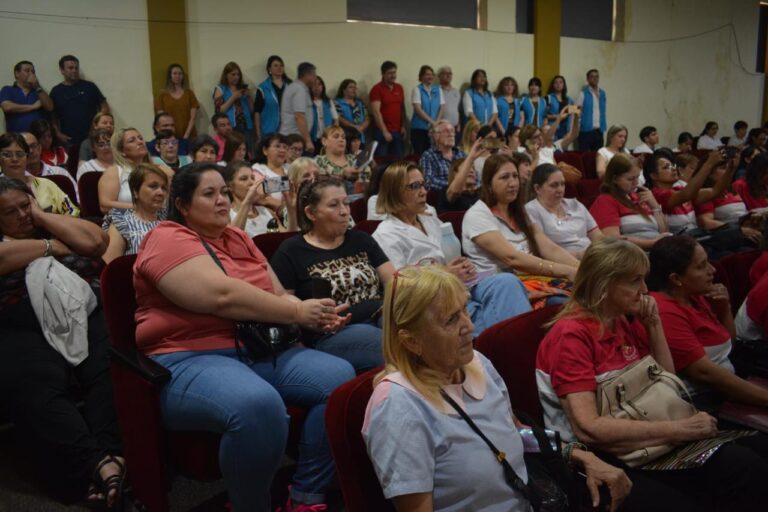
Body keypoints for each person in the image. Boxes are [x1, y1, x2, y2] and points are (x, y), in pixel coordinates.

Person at [133, 164, 354, 511]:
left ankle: (307, 495)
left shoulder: (238, 238)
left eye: (224, 191)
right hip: (189, 358)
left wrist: (316, 313)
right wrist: (297, 313)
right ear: (182, 205)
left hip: (255, 350)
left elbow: (279, 294)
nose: (222, 200)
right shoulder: (166, 237)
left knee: (340, 377)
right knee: (259, 405)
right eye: (209, 194)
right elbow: (221, 296)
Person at [363, 264, 631, 512]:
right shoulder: (397, 406)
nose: (469, 326)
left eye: (465, 310)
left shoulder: (476, 363)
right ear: (411, 342)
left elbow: (517, 431)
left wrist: (578, 455)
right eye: (450, 320)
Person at [536, 237, 768, 511]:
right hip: (605, 455)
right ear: (604, 284)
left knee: (756, 453)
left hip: (643, 434)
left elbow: (665, 381)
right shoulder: (571, 336)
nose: (644, 290)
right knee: (738, 471)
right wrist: (679, 429)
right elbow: (589, 428)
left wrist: (653, 325)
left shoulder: (619, 317)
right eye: (635, 281)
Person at [0, 176, 126, 508]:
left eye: (24, 206)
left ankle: (107, 460)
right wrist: (49, 247)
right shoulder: (33, 242)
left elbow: (96, 241)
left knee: (110, 364)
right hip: (22, 324)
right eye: (10, 212)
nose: (21, 216)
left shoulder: (50, 222)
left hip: (85, 311)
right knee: (35, 383)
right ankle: (98, 464)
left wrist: (40, 216)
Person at [372, 161, 531, 335]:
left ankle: (512, 347)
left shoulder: (429, 217)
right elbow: (401, 289)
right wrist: (447, 273)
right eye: (414, 186)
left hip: (462, 287)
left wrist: (462, 264)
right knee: (497, 313)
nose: (424, 192)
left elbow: (449, 254)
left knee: (506, 282)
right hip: (430, 302)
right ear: (394, 192)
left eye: (423, 185)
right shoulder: (386, 234)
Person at [271, 177, 395, 371]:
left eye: (346, 203)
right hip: (333, 332)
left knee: (415, 328)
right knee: (392, 344)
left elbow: (393, 282)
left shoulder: (361, 239)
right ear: (311, 213)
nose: (345, 211)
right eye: (334, 205)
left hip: (381, 315)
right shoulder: (291, 251)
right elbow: (282, 301)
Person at [648, 235, 768, 408]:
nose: (712, 270)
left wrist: (724, 309)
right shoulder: (664, 311)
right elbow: (705, 373)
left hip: (726, 389)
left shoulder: (695, 296)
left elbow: (729, 344)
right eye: (701, 266)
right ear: (676, 279)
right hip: (701, 403)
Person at [462, 154, 579, 308]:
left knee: (591, 291)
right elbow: (513, 259)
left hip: (532, 278)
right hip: (501, 287)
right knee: (568, 303)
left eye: (515, 176)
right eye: (504, 177)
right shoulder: (477, 215)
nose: (513, 183)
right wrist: (566, 271)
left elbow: (549, 248)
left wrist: (582, 268)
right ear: (489, 184)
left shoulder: (519, 212)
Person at [645, 148, 736, 235]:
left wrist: (731, 169)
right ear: (654, 176)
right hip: (679, 243)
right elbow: (687, 195)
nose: (673, 168)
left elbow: (715, 191)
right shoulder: (656, 195)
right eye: (666, 167)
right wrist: (709, 163)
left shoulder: (679, 189)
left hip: (696, 237)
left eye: (672, 165)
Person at [589, 154, 669, 250]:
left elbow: (664, 232)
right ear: (614, 179)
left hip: (656, 250)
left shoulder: (639, 197)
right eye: (630, 179)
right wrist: (652, 243)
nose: (636, 182)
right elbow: (613, 241)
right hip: (633, 256)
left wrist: (655, 205)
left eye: (637, 177)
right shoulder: (605, 201)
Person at [526, 163, 603, 258]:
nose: (560, 189)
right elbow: (544, 251)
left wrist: (605, 251)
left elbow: (598, 237)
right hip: (565, 262)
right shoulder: (531, 210)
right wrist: (581, 255)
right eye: (554, 185)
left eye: (562, 184)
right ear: (537, 188)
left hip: (593, 257)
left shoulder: (576, 205)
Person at [102, 163, 167, 263]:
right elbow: (110, 267)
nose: (160, 192)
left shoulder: (171, 219)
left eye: (163, 188)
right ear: (135, 191)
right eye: (153, 186)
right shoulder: (122, 223)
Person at [0, 132, 77, 216]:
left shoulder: (45, 184)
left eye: (20, 154)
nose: (14, 159)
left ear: (26, 157)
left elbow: (72, 212)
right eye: (7, 155)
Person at [50, 55, 109, 146]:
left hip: (92, 138)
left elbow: (104, 106)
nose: (74, 70)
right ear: (62, 70)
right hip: (68, 140)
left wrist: (99, 127)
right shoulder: (56, 91)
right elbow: (53, 116)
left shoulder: (90, 86)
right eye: (70, 68)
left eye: (76, 68)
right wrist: (58, 134)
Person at [98, 128, 155, 214]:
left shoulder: (156, 170)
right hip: (125, 221)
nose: (140, 142)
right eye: (132, 141)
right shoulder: (115, 172)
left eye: (140, 138)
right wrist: (140, 208)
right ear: (122, 151)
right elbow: (105, 206)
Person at [221, 160, 281, 237]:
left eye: (252, 178)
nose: (251, 182)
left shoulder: (266, 210)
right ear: (230, 186)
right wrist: (247, 202)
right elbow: (234, 240)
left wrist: (291, 208)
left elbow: (285, 236)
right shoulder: (227, 214)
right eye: (244, 179)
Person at [213, 62, 255, 157]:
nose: (236, 77)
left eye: (238, 74)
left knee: (248, 153)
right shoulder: (221, 88)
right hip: (230, 126)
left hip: (246, 125)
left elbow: (252, 110)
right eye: (233, 74)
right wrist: (233, 97)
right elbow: (219, 110)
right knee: (233, 152)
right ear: (226, 75)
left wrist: (249, 97)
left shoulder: (242, 88)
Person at [1, 60, 53, 133]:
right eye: (27, 71)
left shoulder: (39, 91)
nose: (31, 74)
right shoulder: (7, 90)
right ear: (17, 73)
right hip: (17, 138)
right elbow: (7, 107)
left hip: (39, 138)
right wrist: (33, 107)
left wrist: (37, 86)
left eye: (33, 71)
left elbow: (50, 107)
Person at [315, 126, 368, 194]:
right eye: (336, 137)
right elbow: (317, 184)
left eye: (343, 137)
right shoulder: (318, 161)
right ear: (324, 141)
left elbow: (369, 183)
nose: (341, 140)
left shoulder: (356, 159)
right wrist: (343, 176)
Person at [370, 61, 407, 158]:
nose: (393, 75)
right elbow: (376, 112)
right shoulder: (376, 89)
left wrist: (403, 126)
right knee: (382, 162)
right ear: (383, 74)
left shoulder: (399, 88)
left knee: (399, 163)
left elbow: (402, 108)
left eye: (394, 72)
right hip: (382, 133)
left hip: (398, 132)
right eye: (390, 73)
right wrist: (384, 131)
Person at [154, 63, 199, 141]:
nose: (177, 76)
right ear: (170, 76)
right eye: (174, 73)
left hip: (189, 136)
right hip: (169, 138)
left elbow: (193, 118)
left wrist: (186, 136)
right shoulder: (162, 95)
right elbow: (162, 119)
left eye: (180, 74)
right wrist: (170, 136)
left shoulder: (189, 93)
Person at [280, 62, 317, 154]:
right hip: (293, 138)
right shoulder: (299, 89)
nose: (315, 78)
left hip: (294, 136)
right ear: (308, 75)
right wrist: (308, 141)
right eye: (314, 75)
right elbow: (299, 116)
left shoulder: (295, 87)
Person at [420, 119, 467, 190]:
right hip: (444, 196)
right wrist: (455, 185)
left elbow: (475, 177)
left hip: (467, 193)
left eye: (452, 131)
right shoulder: (428, 156)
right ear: (436, 136)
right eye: (446, 131)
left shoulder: (462, 154)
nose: (451, 134)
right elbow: (427, 181)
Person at [254, 55, 290, 143]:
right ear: (269, 68)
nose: (279, 68)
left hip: (288, 131)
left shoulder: (290, 86)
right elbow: (257, 111)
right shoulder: (263, 87)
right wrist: (258, 132)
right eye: (276, 65)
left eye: (281, 65)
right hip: (268, 131)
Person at [410, 65, 445, 155]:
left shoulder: (438, 89)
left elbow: (442, 107)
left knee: (434, 154)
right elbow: (418, 109)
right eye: (427, 74)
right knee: (420, 154)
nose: (430, 77)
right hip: (419, 129)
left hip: (434, 129)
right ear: (421, 77)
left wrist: (437, 123)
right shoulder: (417, 89)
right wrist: (432, 123)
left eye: (431, 74)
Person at [252, 133, 289, 209]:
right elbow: (262, 197)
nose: (282, 150)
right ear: (265, 150)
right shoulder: (258, 169)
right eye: (277, 146)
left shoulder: (290, 168)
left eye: (285, 147)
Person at [576, 69, 606, 152]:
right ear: (588, 79)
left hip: (599, 131)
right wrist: (577, 128)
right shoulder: (583, 93)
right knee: (584, 156)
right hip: (585, 131)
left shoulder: (602, 93)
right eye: (592, 77)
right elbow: (577, 111)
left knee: (598, 156)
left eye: (597, 76)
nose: (595, 78)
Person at [334, 79, 369, 144]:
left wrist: (362, 127)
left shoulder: (360, 103)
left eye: (355, 88)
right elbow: (339, 118)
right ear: (343, 90)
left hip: (360, 136)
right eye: (351, 87)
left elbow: (367, 117)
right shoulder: (337, 103)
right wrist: (354, 127)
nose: (354, 89)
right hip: (346, 136)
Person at [310, 76, 339, 150]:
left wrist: (334, 133)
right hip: (312, 137)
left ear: (323, 86)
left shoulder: (328, 101)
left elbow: (336, 119)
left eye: (319, 84)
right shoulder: (307, 102)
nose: (317, 87)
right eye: (314, 84)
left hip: (327, 137)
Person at [545, 75, 574, 139]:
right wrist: (557, 117)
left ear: (564, 85)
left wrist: (570, 131)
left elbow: (575, 114)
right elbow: (544, 115)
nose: (558, 84)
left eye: (561, 82)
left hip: (565, 130)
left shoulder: (569, 100)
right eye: (556, 82)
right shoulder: (548, 98)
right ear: (553, 85)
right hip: (553, 128)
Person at [437, 65, 461, 133]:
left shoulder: (456, 91)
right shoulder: (436, 91)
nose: (448, 75)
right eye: (445, 73)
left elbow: (458, 109)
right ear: (439, 76)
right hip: (441, 128)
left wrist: (459, 124)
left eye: (450, 73)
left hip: (455, 128)